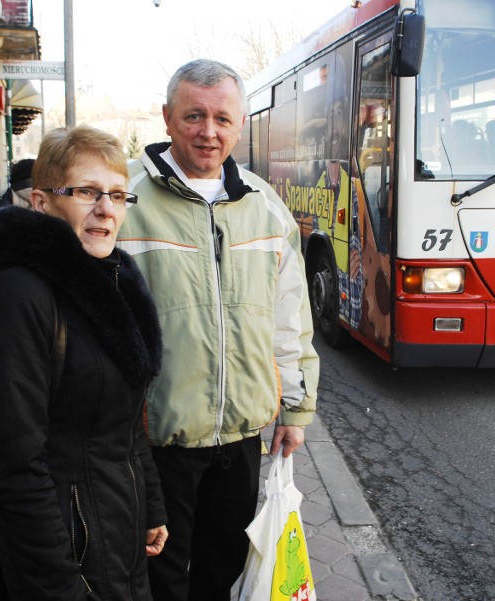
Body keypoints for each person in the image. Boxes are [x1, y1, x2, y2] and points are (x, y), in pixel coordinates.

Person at [117, 59, 320, 601]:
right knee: (158, 575)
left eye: (223, 118)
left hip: (240, 437)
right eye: (194, 116)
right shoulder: (126, 204)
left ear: (241, 123)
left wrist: (295, 411)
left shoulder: (266, 207)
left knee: (223, 564)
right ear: (167, 118)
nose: (209, 131)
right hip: (159, 437)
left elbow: (290, 319)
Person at [0, 125, 168, 600]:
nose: (106, 210)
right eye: (86, 192)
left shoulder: (111, 279)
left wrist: (151, 506)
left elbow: (126, 417)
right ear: (41, 202)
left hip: (118, 521)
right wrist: (59, 587)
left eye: (117, 195)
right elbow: (13, 463)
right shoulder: (17, 294)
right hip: (65, 543)